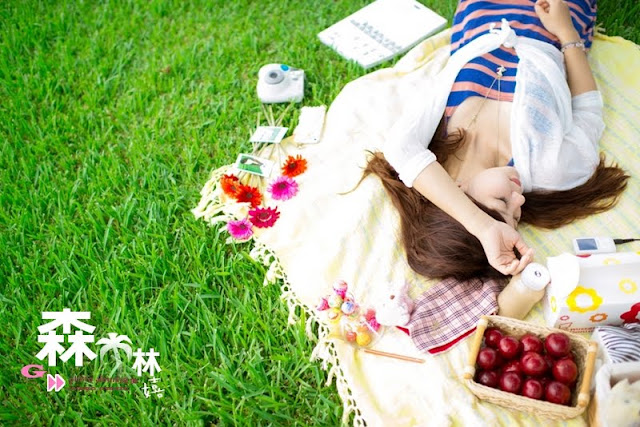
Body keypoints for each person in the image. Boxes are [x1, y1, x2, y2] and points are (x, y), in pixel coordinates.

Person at [364, 0, 629, 280]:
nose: (519, 200)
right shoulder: (547, 170)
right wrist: (567, 33)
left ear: (457, 193)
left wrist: (483, 227)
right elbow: (588, 110)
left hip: (480, 14)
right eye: (516, 216)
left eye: (503, 202)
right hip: (553, 16)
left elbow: (399, 149)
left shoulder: (431, 148)